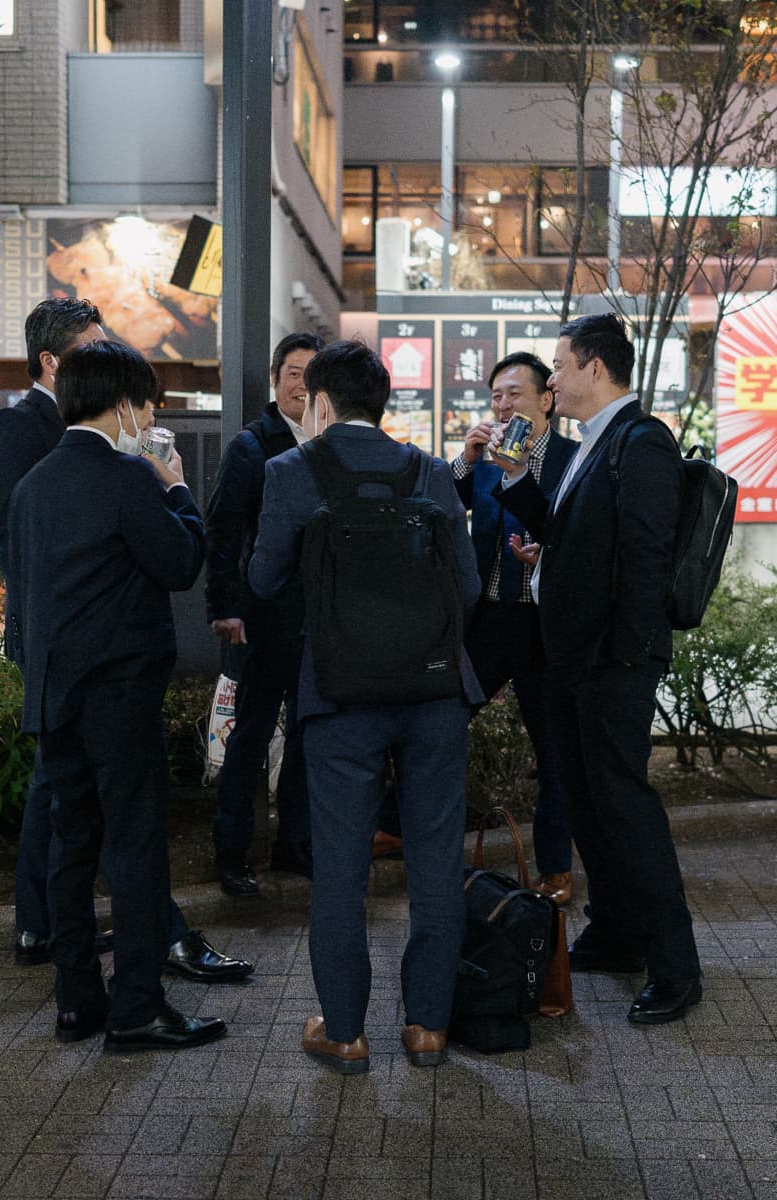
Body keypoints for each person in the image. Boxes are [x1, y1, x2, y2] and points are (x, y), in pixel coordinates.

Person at [0, 298, 251, 985]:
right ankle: (134, 995)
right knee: (125, 833)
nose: (153, 420)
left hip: (62, 668)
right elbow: (177, 562)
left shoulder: (45, 479)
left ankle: (75, 990)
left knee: (72, 829)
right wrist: (179, 492)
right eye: (148, 406)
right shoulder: (90, 460)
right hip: (107, 671)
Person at [248, 340, 482, 1074]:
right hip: (435, 690)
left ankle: (345, 1031)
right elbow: (468, 589)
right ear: (383, 403)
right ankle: (429, 1028)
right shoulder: (432, 473)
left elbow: (261, 579)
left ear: (320, 402)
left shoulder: (290, 470)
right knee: (436, 860)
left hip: (341, 695)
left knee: (342, 867)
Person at [493, 313, 703, 1026]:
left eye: (559, 365)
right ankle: (616, 934)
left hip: (611, 663)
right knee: (588, 802)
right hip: (575, 659)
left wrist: (624, 653)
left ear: (595, 369)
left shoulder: (642, 442)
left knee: (627, 809)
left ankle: (676, 966)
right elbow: (572, 532)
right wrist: (519, 485)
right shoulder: (593, 442)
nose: (550, 380)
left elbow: (646, 557)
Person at [450, 351, 578, 903]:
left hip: (544, 622)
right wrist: (464, 459)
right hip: (492, 617)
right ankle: (400, 828)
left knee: (553, 748)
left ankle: (556, 869)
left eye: (514, 394)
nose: (502, 405)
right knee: (440, 717)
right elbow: (442, 510)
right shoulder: (483, 457)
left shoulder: (574, 458)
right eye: (496, 396)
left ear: (547, 399)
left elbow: (573, 530)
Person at [203, 332, 323, 896]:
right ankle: (232, 853)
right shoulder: (254, 445)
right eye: (294, 373)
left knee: (306, 732)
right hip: (260, 618)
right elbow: (222, 533)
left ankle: (293, 846)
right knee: (248, 737)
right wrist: (225, 607)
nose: (302, 384)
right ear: (276, 380)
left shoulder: (331, 443)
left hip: (318, 619)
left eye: (312, 375)